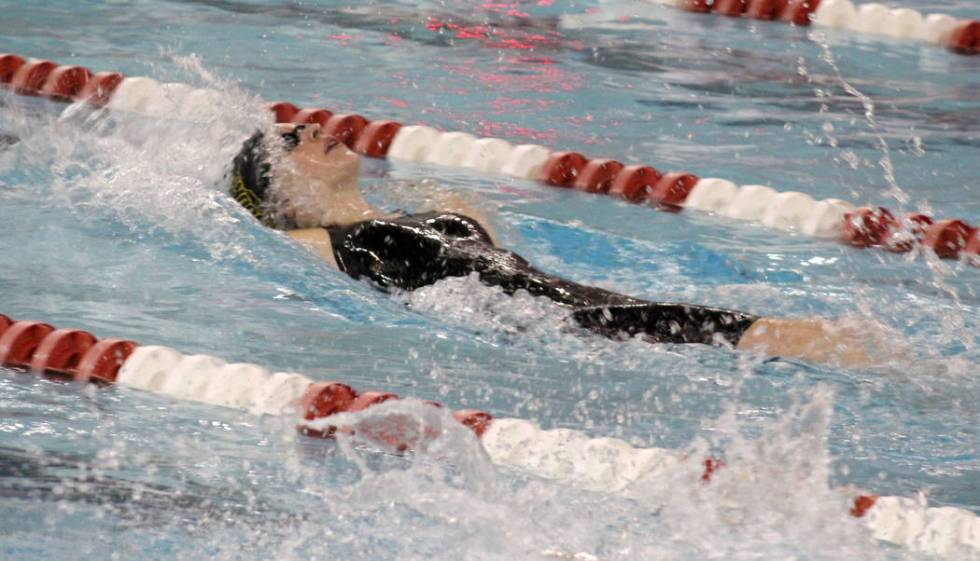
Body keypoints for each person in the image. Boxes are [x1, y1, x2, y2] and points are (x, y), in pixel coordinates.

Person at [230, 123, 882, 367]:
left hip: (579, 309)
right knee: (795, 337)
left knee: (807, 338)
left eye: (305, 124)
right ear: (283, 196)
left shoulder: (432, 211)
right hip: (560, 327)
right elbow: (238, 239)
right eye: (289, 141)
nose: (312, 128)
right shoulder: (322, 241)